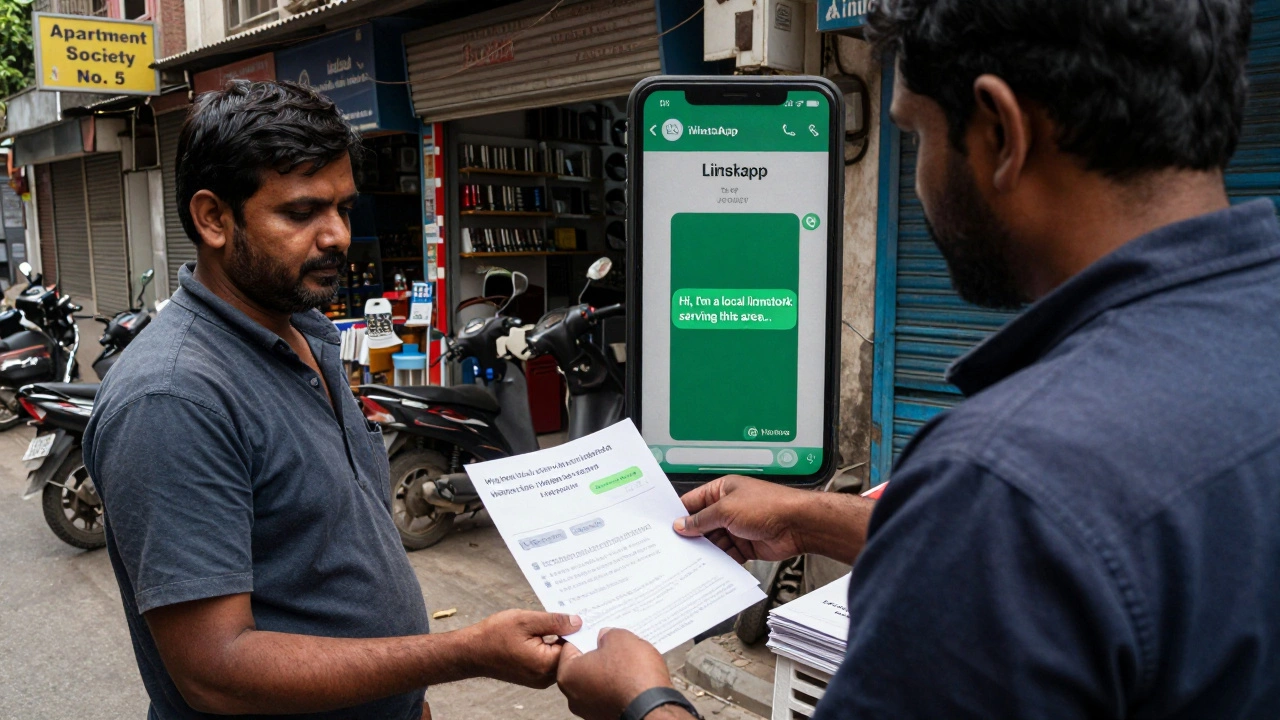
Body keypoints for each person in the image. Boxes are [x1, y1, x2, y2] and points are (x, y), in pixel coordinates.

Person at [557, 0, 1280, 717]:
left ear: (1000, 132)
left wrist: (645, 702)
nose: (920, 179)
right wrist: (814, 519)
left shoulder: (1003, 483)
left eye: (918, 135)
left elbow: (1022, 534)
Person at [83, 80, 581, 720]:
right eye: (301, 212)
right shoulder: (176, 397)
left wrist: (408, 704)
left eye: (344, 209)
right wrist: (463, 654)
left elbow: (337, 555)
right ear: (213, 218)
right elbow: (217, 672)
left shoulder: (306, 333)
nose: (338, 236)